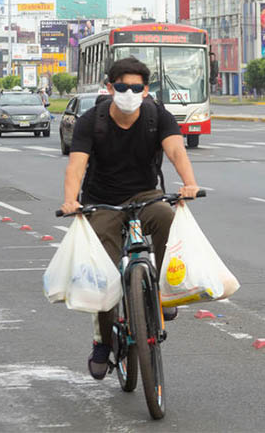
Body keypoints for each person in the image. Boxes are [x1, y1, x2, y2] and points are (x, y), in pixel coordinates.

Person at [59, 57, 200, 380]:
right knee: (103, 275)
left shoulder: (156, 116)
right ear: (110, 88)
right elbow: (76, 166)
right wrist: (70, 201)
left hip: (145, 195)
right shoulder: (91, 121)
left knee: (168, 217)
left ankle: (166, 292)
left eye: (136, 87)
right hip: (101, 202)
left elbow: (177, 151)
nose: (129, 93)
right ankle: (102, 342)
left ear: (145, 90)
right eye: (122, 87)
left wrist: (189, 184)